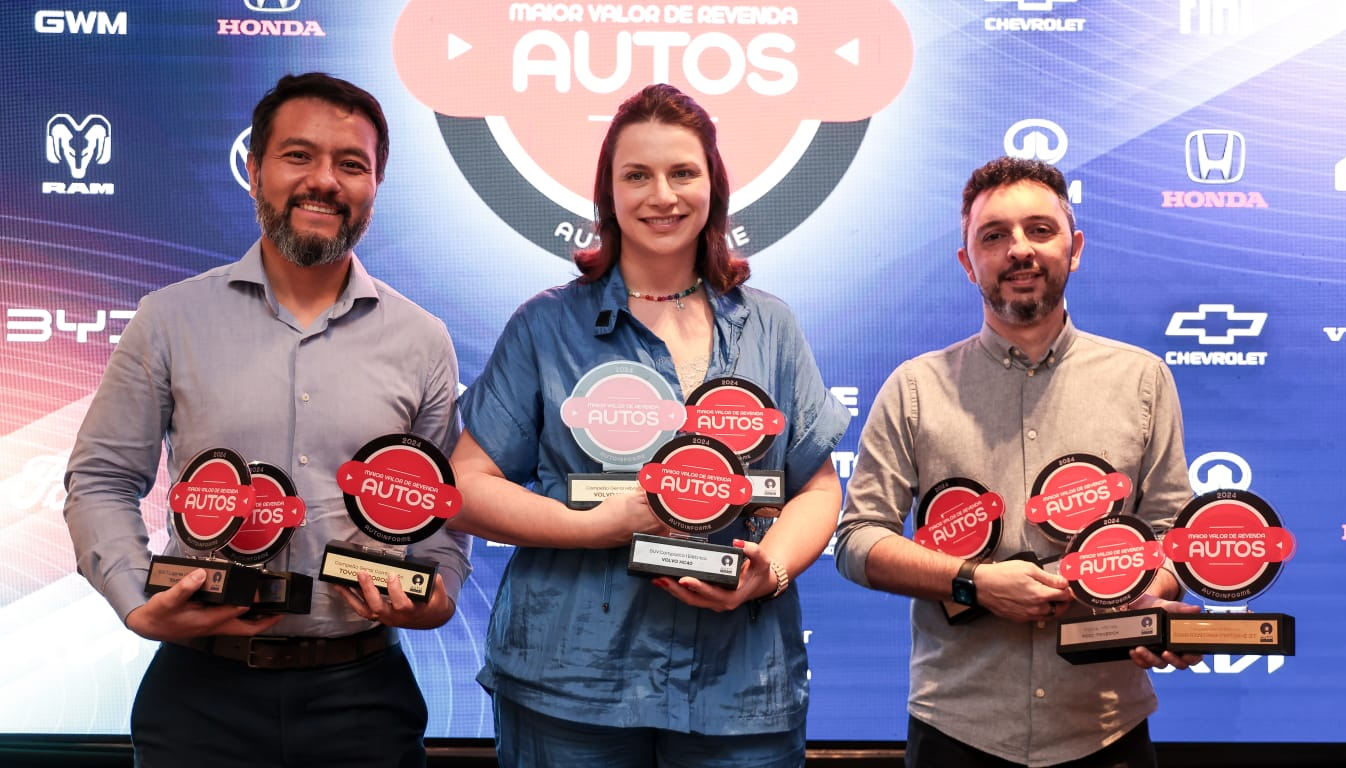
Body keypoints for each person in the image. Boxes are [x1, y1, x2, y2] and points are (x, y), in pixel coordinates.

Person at [63, 72, 470, 768]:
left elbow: (440, 512)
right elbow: (101, 479)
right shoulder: (170, 320)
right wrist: (135, 597)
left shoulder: (422, 339)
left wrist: (439, 591)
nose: (325, 181)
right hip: (199, 695)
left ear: (376, 185)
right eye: (298, 156)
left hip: (363, 699)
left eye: (351, 164)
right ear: (254, 171)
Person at [450, 83, 850, 767]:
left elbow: (815, 489)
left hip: (739, 687)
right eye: (637, 175)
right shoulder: (546, 326)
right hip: (570, 685)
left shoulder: (771, 327)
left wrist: (770, 571)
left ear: (713, 185)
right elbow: (465, 486)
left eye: (682, 172)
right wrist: (594, 526)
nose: (662, 195)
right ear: (608, 193)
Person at [834, 157, 1201, 768]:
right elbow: (856, 541)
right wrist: (973, 582)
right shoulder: (915, 389)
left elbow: (1171, 538)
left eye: (1040, 230)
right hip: (957, 730)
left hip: (1105, 729)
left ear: (1074, 248)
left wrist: (1146, 598)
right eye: (994, 235)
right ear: (967, 262)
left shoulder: (1142, 380)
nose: (1020, 250)